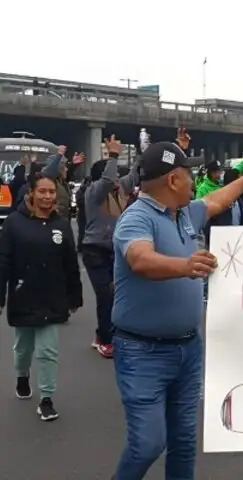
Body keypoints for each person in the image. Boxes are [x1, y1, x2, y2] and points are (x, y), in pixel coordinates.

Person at [111, 135, 243, 479]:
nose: (195, 182)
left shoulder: (183, 214)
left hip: (188, 348)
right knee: (148, 443)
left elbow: (215, 201)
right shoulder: (137, 218)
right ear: (172, 179)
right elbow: (140, 258)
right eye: (189, 174)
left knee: (183, 442)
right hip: (142, 352)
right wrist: (184, 266)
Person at [0, 173, 83, 421]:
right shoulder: (14, 223)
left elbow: (70, 264)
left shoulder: (62, 225)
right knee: (23, 348)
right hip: (23, 294)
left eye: (51, 192)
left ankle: (46, 399)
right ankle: (22, 376)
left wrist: (74, 295)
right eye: (42, 191)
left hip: (52, 297)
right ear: (31, 194)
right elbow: (3, 261)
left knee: (48, 350)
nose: (47, 196)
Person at [82, 135, 140, 359]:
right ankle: (105, 340)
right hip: (94, 250)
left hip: (116, 251)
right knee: (105, 296)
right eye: (113, 174)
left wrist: (141, 152)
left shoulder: (119, 190)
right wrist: (113, 155)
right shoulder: (94, 193)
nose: (117, 178)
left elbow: (134, 176)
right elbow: (106, 180)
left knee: (118, 295)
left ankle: (103, 333)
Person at [42, 146, 83, 220]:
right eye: (64, 167)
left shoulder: (61, 181)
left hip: (63, 219)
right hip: (53, 220)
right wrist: (59, 156)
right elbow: (49, 172)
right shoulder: (50, 181)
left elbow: (67, 173)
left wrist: (74, 165)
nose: (66, 169)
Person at [75, 176, 92, 252]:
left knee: (87, 232)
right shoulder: (80, 191)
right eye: (88, 183)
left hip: (88, 214)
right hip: (82, 214)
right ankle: (80, 247)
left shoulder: (90, 191)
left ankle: (85, 246)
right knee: (82, 231)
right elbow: (80, 202)